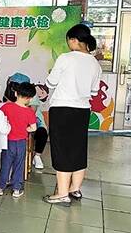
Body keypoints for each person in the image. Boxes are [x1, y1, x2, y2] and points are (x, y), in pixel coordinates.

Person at [43, 24, 102, 207]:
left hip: (62, 109)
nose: (69, 44)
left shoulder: (65, 58)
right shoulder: (95, 63)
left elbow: (51, 82)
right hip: (82, 111)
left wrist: (53, 75)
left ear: (74, 40)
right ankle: (74, 188)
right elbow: (93, 91)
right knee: (78, 149)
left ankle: (62, 194)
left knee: (62, 150)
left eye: (69, 40)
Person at [0, 82, 37, 198]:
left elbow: (0, 121)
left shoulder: (6, 107)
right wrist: (25, 129)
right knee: (19, 165)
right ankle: (16, 189)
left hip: (7, 141)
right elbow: (33, 128)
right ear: (30, 98)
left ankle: (0, 188)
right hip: (21, 142)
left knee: (5, 164)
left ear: (15, 93)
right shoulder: (29, 112)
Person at [30, 84, 49, 170]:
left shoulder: (33, 94)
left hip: (35, 122)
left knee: (42, 132)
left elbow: (33, 110)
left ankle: (37, 156)